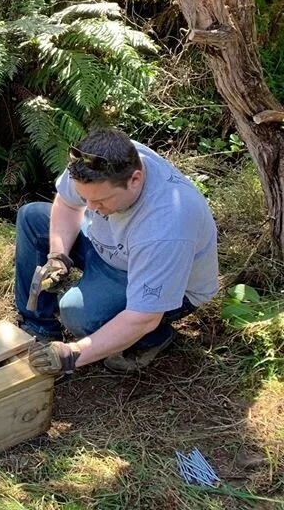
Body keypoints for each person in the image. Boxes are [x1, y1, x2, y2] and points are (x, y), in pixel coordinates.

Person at [14, 128, 219, 375]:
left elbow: (143, 317)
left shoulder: (166, 226)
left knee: (79, 316)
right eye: (85, 198)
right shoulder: (96, 162)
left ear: (135, 179)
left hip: (156, 279)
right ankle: (39, 328)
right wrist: (58, 255)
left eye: (101, 200)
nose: (90, 208)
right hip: (109, 246)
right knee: (32, 217)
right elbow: (67, 204)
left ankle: (154, 338)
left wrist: (72, 355)